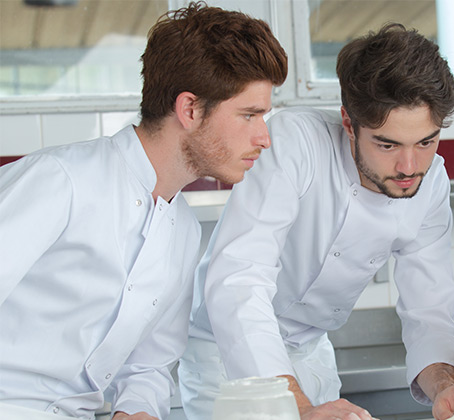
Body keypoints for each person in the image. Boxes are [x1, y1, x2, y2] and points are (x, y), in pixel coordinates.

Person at [179, 23, 454, 420]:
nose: (409, 167)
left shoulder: (431, 182)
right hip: (226, 358)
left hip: (312, 353)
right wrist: (295, 406)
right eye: (387, 144)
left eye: (425, 142)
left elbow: (428, 312)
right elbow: (239, 279)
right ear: (349, 123)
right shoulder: (296, 144)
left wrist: (447, 387)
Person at [0, 3, 287, 419]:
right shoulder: (60, 181)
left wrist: (135, 410)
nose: (264, 138)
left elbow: (149, 365)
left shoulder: (183, 229)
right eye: (249, 115)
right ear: (189, 109)